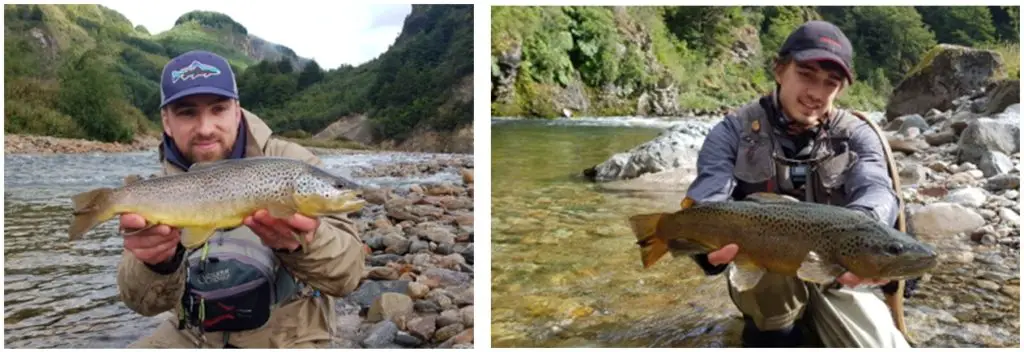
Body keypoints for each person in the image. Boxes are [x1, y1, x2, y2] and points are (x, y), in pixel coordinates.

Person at [680, 21, 912, 348]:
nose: (816, 93)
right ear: (779, 70)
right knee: (772, 288)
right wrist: (703, 246)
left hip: (838, 276)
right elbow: (708, 198)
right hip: (766, 275)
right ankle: (772, 333)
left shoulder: (859, 134)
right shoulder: (731, 132)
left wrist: (864, 234)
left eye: (830, 83)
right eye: (805, 75)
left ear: (841, 89)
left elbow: (876, 188)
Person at [115, 50, 366, 348]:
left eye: (218, 109)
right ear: (166, 122)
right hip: (193, 333)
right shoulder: (159, 190)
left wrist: (305, 243)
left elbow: (348, 276)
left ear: (237, 110)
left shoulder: (291, 162)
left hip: (286, 336)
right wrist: (157, 265)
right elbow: (142, 304)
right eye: (187, 113)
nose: (206, 128)